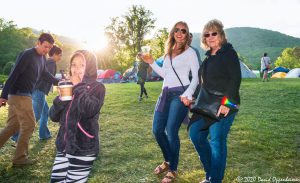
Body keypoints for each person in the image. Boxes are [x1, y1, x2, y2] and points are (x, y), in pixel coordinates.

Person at [141, 21, 199, 183]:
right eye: (177, 30)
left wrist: (187, 94)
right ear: (173, 32)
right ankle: (167, 160)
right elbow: (165, 74)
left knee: (171, 131)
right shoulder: (167, 53)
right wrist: (151, 61)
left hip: (180, 94)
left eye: (184, 30)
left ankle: (173, 169)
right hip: (165, 94)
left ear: (187, 34)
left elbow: (195, 77)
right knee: (157, 130)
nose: (180, 33)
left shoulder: (191, 53)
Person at [188, 19, 241, 183]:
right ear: (204, 38)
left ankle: (214, 179)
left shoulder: (228, 53)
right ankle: (211, 172)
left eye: (214, 33)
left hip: (226, 103)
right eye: (207, 34)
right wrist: (193, 97)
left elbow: (235, 79)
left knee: (217, 140)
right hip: (206, 104)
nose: (210, 37)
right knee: (195, 134)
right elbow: (205, 84)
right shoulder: (207, 58)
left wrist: (227, 103)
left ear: (221, 35)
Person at [0, 33, 58, 166]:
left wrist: (58, 82)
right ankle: (20, 158)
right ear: (38, 42)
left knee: (12, 126)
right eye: (45, 46)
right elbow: (14, 73)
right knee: (30, 124)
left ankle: (19, 158)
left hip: (23, 95)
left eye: (49, 48)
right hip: (19, 94)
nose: (46, 50)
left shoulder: (42, 58)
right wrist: (3, 95)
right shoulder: (27, 54)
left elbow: (45, 74)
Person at [49, 50, 105, 182]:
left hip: (83, 149)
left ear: (90, 67)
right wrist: (61, 98)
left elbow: (89, 110)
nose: (76, 69)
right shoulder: (67, 86)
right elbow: (53, 116)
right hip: (63, 147)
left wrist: (78, 86)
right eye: (74, 65)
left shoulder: (98, 88)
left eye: (82, 64)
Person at [11, 45, 62, 142]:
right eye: (60, 55)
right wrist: (60, 82)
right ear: (54, 54)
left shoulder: (47, 61)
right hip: (39, 91)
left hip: (37, 90)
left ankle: (44, 134)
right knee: (35, 116)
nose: (60, 57)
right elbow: (48, 77)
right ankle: (17, 135)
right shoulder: (51, 62)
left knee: (45, 111)